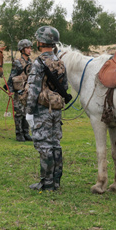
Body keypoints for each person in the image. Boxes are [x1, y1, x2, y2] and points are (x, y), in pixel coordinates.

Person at [25, 26, 72, 191]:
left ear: (40, 42)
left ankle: (47, 183)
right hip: (56, 109)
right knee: (55, 144)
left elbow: (33, 90)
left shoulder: (38, 63)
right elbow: (64, 87)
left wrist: (29, 112)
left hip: (42, 109)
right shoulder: (60, 62)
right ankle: (56, 181)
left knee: (44, 146)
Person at [10, 39, 34, 142]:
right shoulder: (17, 63)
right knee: (19, 113)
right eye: (27, 48)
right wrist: (11, 91)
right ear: (22, 49)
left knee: (27, 113)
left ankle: (26, 132)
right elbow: (12, 77)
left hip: (28, 91)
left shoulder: (31, 62)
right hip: (19, 92)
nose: (30, 50)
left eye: (30, 48)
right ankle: (19, 134)